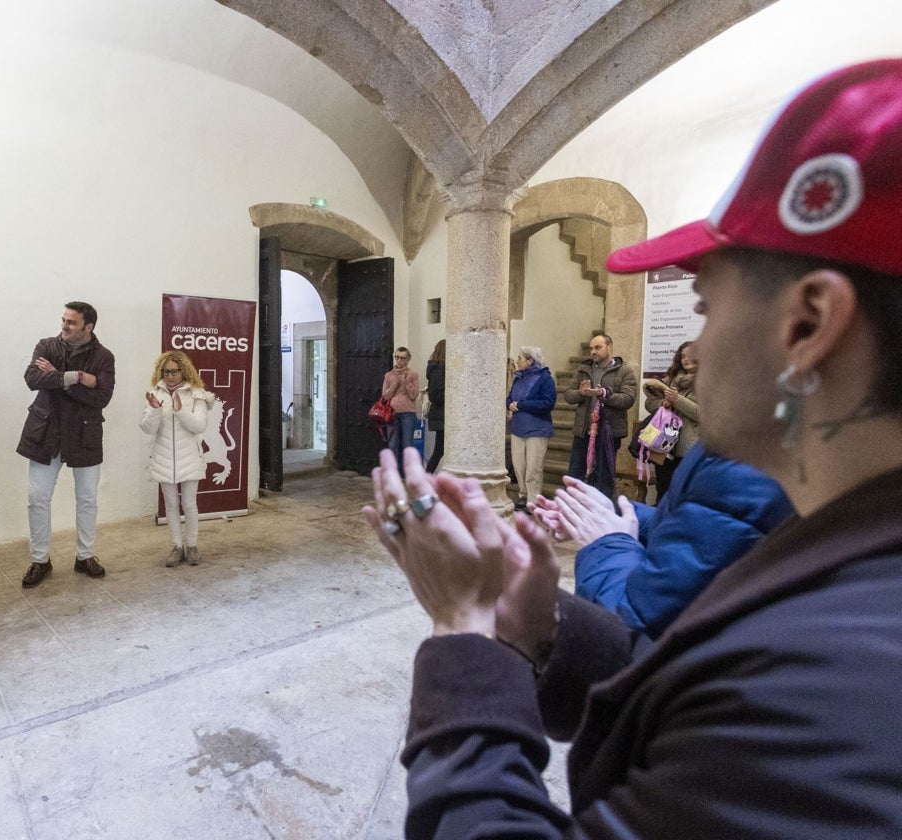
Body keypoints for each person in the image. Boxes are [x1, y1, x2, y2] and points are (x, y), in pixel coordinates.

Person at [364, 60, 902, 838]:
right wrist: (541, 624)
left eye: (707, 307)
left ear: (810, 324)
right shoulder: (840, 544)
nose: (696, 348)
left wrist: (464, 629)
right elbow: (690, 700)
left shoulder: (840, 684)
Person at [532, 444, 792, 637]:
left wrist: (609, 543)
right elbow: (691, 524)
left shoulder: (747, 470)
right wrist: (612, 515)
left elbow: (633, 628)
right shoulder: (747, 450)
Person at [17, 302, 115, 588]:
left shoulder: (104, 357)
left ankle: (84, 556)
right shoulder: (46, 346)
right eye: (63, 320)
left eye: (71, 322)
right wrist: (79, 378)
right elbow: (32, 379)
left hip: (85, 435)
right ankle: (40, 560)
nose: (64, 326)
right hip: (44, 432)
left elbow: (102, 398)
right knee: (37, 499)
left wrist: (56, 378)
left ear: (88, 327)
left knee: (87, 500)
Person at [140, 350, 214, 567]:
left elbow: (199, 425)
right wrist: (154, 410)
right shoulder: (155, 393)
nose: (170, 375)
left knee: (189, 504)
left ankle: (192, 545)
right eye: (166, 371)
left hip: (189, 456)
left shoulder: (197, 394)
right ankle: (176, 546)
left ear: (184, 371)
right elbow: (147, 428)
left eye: (174, 371)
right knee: (171, 505)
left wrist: (181, 412)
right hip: (163, 457)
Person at [563, 333, 636, 500]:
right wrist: (581, 393)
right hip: (584, 432)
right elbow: (568, 395)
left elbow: (628, 399)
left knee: (604, 477)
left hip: (608, 433)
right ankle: (575, 515)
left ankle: (603, 517)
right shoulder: (583, 370)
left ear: (610, 347)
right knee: (575, 475)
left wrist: (604, 394)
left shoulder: (624, 371)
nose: (593, 352)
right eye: (591, 348)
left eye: (598, 347)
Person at [640, 340, 699, 495]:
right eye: (682, 356)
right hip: (664, 447)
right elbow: (650, 404)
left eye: (690, 355)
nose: (685, 359)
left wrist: (677, 400)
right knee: (663, 491)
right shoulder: (672, 378)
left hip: (690, 450)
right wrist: (664, 403)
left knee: (684, 495)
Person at [505, 346, 557, 511]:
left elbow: (548, 403)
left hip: (537, 429)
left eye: (520, 358)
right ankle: (523, 495)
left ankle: (534, 500)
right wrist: (510, 404)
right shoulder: (518, 378)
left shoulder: (545, 378)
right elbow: (509, 398)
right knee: (519, 465)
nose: (518, 360)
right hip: (518, 428)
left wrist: (521, 405)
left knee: (533, 466)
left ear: (530, 361)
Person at [381, 346, 420, 477]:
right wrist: (395, 384)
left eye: (402, 358)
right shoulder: (389, 375)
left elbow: (414, 395)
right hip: (391, 414)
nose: (399, 360)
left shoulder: (413, 374)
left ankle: (406, 474)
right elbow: (385, 396)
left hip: (408, 414)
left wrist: (407, 381)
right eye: (397, 357)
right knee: (393, 445)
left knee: (407, 445)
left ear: (408, 359)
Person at [424, 340, 446, 473]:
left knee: (439, 451)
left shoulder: (441, 368)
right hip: (441, 415)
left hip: (443, 416)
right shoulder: (437, 369)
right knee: (439, 452)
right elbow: (434, 395)